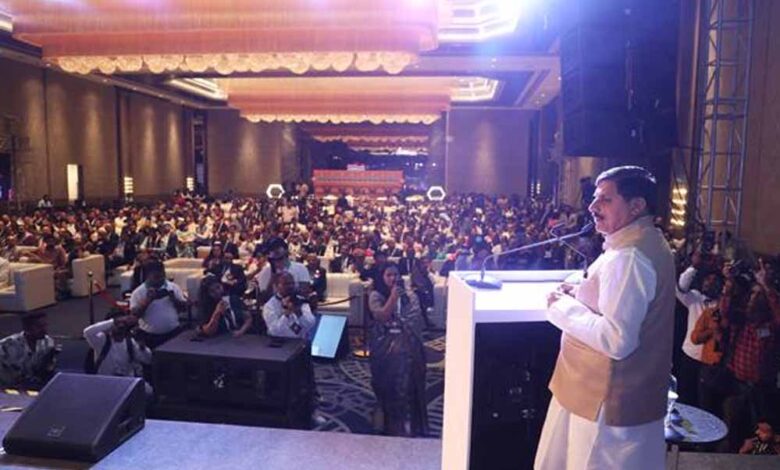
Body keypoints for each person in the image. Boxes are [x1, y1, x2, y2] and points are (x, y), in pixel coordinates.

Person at [535, 166, 675, 470]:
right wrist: (580, 292)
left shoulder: (628, 258)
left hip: (602, 403)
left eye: (606, 200)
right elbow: (622, 302)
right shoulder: (644, 242)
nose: (592, 207)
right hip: (595, 394)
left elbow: (617, 339)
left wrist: (561, 308)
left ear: (636, 206)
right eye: (595, 198)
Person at [368, 263, 428, 437]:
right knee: (386, 384)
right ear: (382, 277)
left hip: (406, 346)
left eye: (396, 274)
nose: (393, 278)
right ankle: (386, 421)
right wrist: (393, 297)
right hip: (383, 347)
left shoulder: (408, 295)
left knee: (408, 384)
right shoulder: (375, 295)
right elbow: (381, 316)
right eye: (389, 275)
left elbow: (414, 319)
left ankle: (409, 423)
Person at [129, 260, 188, 348]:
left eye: (162, 276)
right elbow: (134, 315)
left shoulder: (173, 287)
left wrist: (174, 299)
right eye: (156, 277)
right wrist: (148, 300)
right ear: (148, 276)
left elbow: (184, 309)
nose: (160, 280)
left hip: (173, 332)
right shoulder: (138, 292)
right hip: (149, 336)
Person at [83, 313, 152, 378]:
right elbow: (87, 332)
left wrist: (142, 347)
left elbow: (147, 360)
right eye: (117, 324)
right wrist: (113, 321)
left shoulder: (131, 343)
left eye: (124, 324)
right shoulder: (102, 340)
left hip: (125, 381)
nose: (120, 326)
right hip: (104, 380)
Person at [0, 312, 58, 389]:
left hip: (34, 386)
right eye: (39, 326)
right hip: (7, 388)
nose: (44, 330)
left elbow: (45, 371)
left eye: (45, 325)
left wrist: (49, 357)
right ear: (26, 328)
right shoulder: (6, 346)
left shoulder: (48, 342)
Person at [262, 272, 316, 339]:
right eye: (286, 284)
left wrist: (299, 313)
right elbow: (274, 331)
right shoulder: (270, 306)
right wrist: (286, 315)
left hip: (299, 342)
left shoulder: (300, 301)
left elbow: (311, 324)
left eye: (292, 283)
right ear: (276, 286)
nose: (290, 286)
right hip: (279, 342)